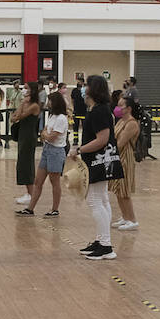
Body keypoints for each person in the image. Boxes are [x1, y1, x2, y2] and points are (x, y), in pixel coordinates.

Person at [69, 74, 118, 261]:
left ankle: (106, 245)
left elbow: (102, 140)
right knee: (102, 200)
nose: (83, 88)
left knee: (95, 201)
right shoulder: (99, 109)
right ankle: (101, 240)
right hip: (100, 161)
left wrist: (79, 150)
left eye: (86, 85)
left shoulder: (99, 111)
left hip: (98, 161)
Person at [24, 92, 68, 216]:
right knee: (38, 181)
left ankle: (55, 209)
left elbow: (51, 137)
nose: (48, 104)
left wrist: (45, 135)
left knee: (55, 182)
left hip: (56, 152)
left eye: (50, 101)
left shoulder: (61, 119)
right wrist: (45, 135)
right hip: (46, 150)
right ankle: (30, 208)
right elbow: (44, 131)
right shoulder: (52, 116)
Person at [110, 91, 143, 231]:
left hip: (125, 158)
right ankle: (125, 216)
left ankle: (132, 220)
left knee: (125, 191)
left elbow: (120, 143)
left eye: (121, 106)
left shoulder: (131, 123)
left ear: (128, 108)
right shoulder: (120, 121)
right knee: (118, 190)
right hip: (117, 157)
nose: (118, 108)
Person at [11, 82, 41, 207]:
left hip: (29, 137)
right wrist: (22, 105)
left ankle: (31, 194)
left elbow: (19, 116)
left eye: (26, 88)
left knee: (27, 164)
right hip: (23, 135)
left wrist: (23, 103)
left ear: (32, 91)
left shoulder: (34, 106)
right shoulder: (26, 104)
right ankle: (28, 193)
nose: (24, 90)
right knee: (22, 163)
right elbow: (13, 117)